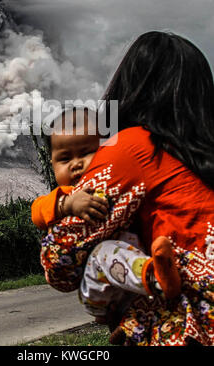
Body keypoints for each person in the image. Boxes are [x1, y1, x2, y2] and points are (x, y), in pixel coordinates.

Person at [36, 31, 214, 346]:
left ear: (132, 86)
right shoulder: (201, 156)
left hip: (192, 322)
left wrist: (61, 206)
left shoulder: (134, 148)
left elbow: (60, 261)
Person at [32, 105, 181, 339]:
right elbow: (37, 211)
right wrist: (67, 204)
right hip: (96, 287)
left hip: (128, 282)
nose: (76, 164)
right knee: (105, 251)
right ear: (51, 164)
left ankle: (128, 324)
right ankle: (156, 277)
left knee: (131, 243)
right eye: (64, 158)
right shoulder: (64, 194)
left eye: (86, 152)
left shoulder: (115, 177)